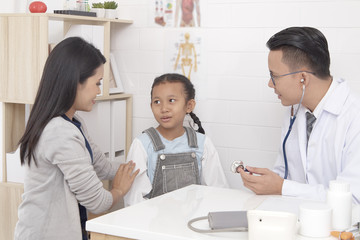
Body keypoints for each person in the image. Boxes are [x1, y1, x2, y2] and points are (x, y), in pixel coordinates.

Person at [14, 37, 139, 240]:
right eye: (97, 83)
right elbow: (97, 202)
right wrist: (119, 190)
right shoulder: (58, 132)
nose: (99, 90)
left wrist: (140, 165)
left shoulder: (73, 122)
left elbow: (102, 166)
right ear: (75, 81)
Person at [239, 27, 360, 204]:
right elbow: (286, 173)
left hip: (341, 229)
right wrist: (266, 182)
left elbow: (354, 198)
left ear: (303, 78)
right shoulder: (294, 112)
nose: (270, 84)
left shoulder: (354, 117)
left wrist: (282, 187)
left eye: (274, 76)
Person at [124, 73, 228, 206]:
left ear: (189, 105)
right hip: (153, 223)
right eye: (157, 102)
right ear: (151, 106)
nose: (163, 108)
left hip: (193, 222)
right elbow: (134, 200)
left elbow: (217, 192)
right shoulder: (142, 145)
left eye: (171, 100)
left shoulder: (202, 144)